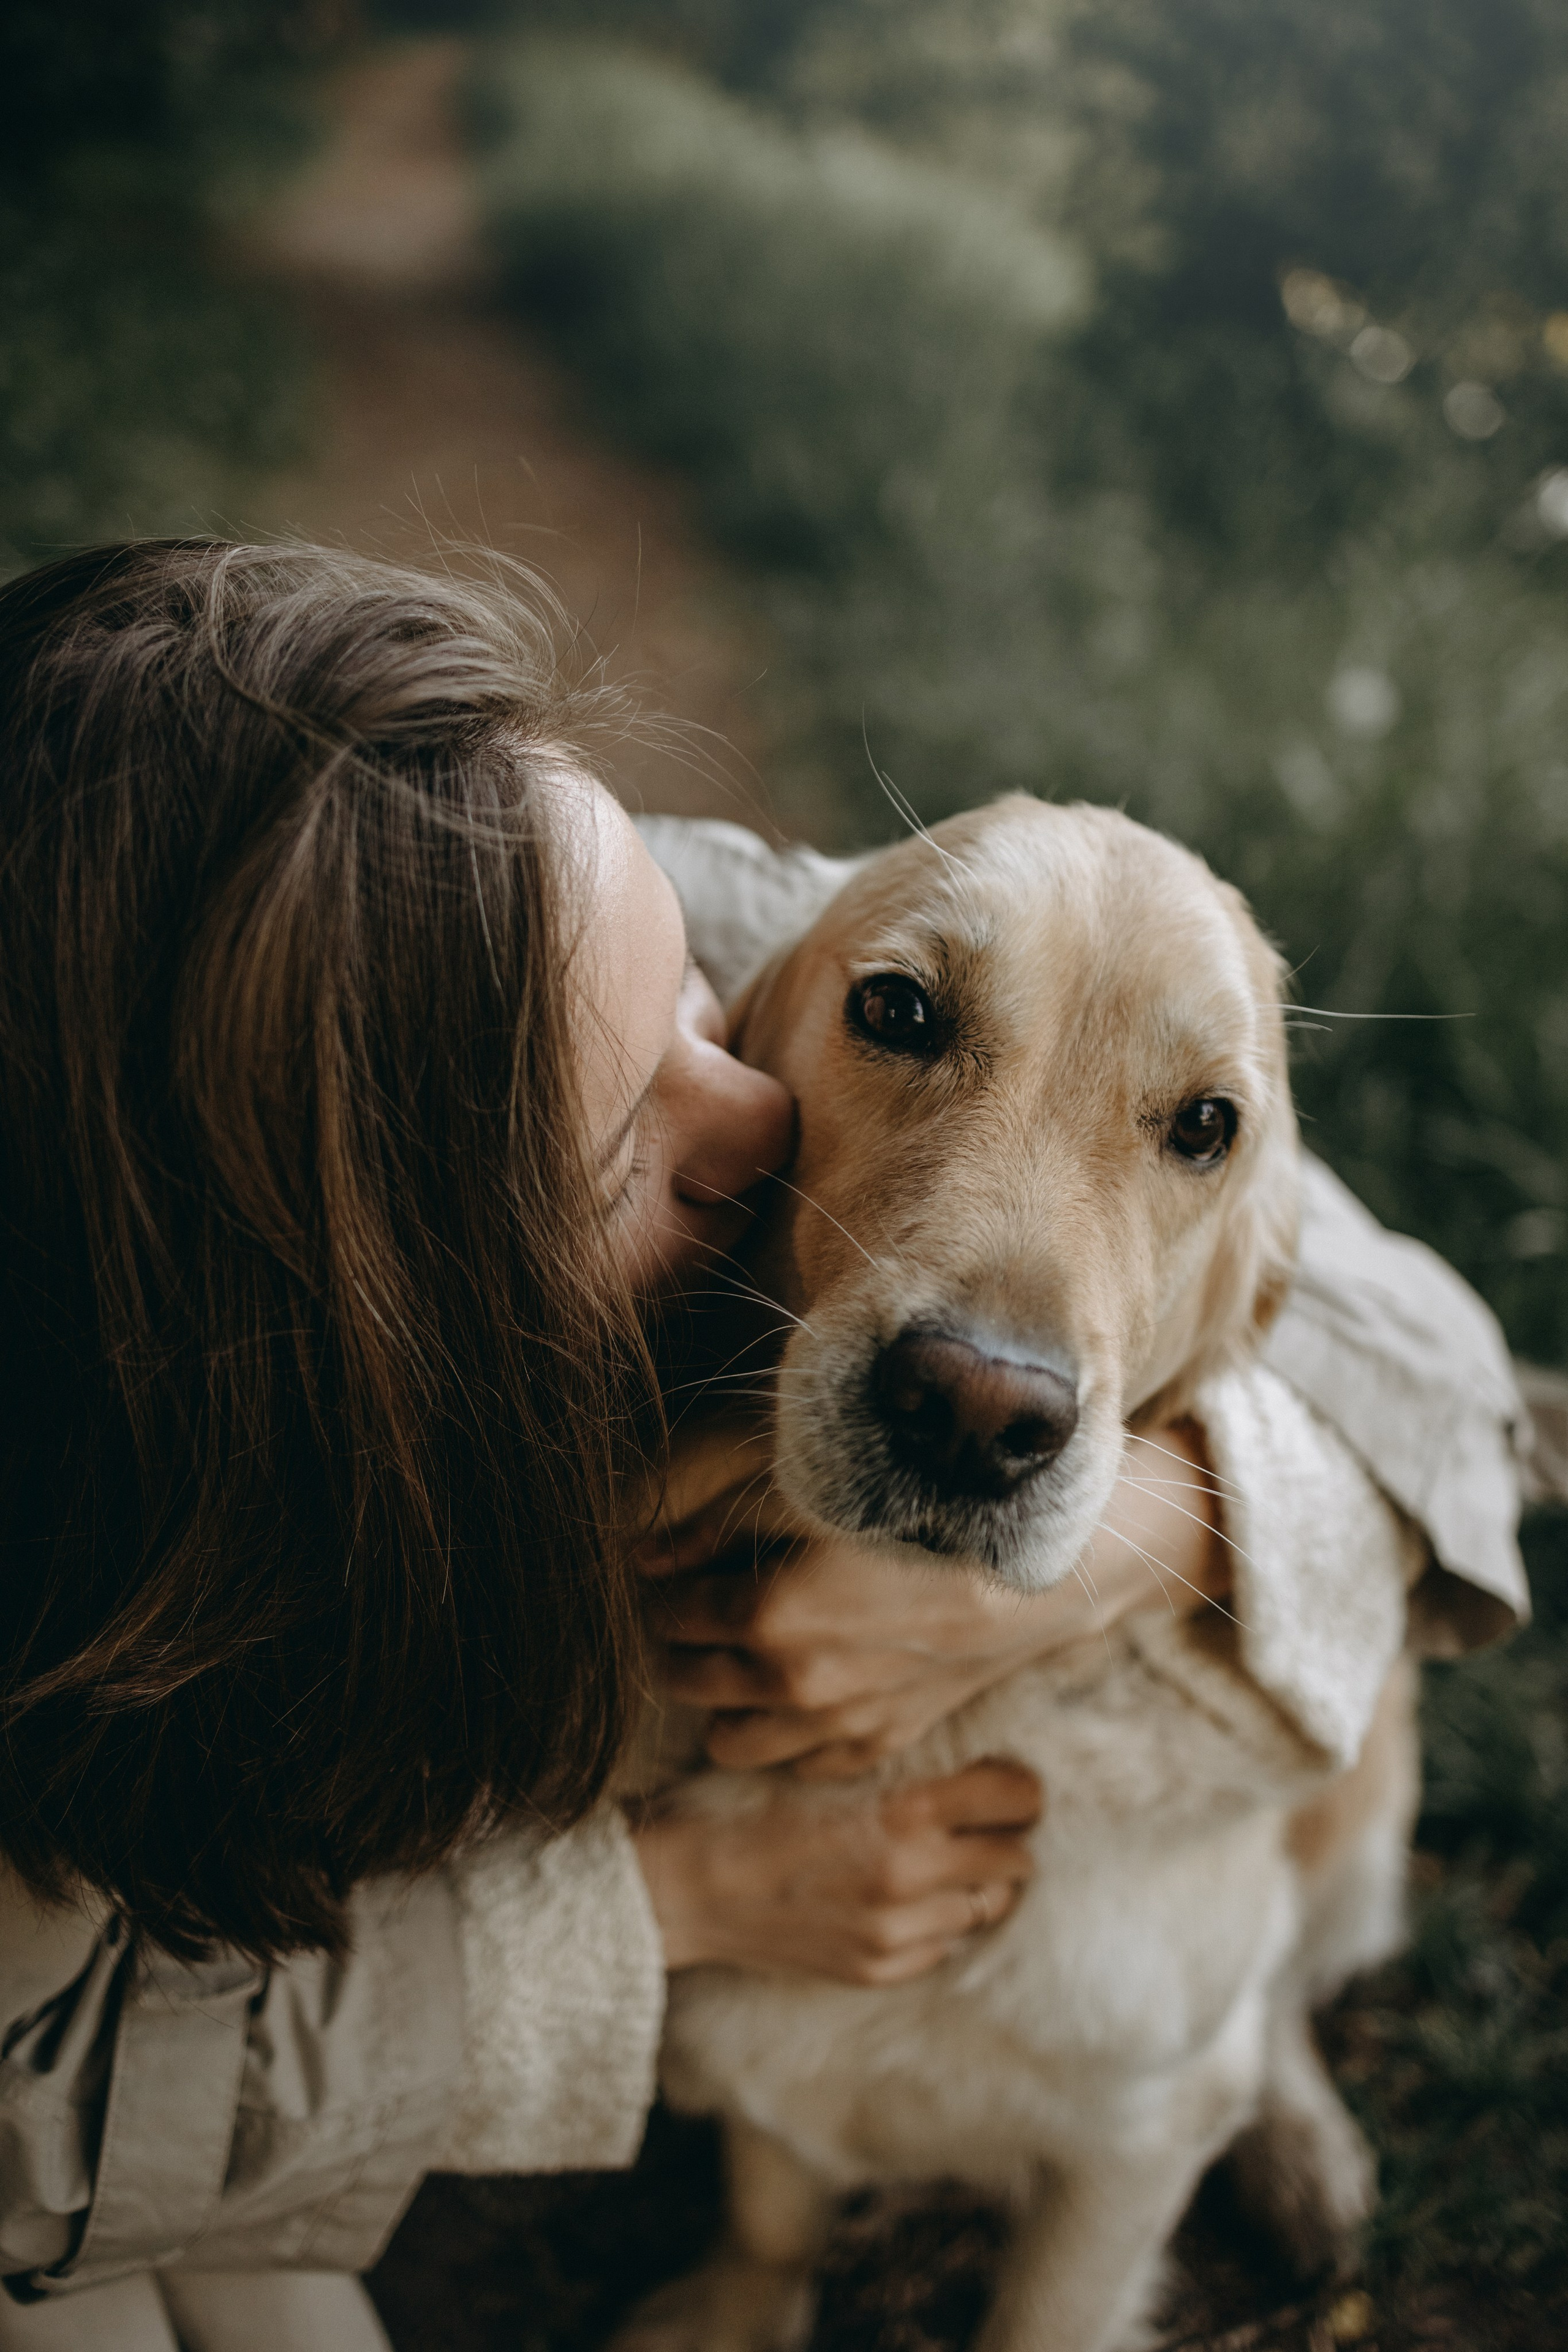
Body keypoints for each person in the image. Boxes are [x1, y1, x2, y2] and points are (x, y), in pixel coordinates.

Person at [0, 543, 1529, 2352]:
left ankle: (1268, 2035)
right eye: (901, 1023)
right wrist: (677, 1904)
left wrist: (1162, 1518)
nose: (750, 1116)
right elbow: (54, 2119)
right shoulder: (133, 1511)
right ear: (362, 1306)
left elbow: (1430, 1356)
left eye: (700, 1013)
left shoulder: (630, 894)